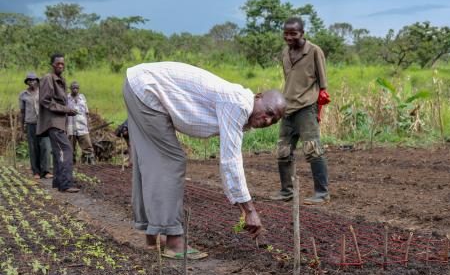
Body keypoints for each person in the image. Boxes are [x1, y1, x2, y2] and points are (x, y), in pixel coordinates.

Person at [123, 62, 286, 257]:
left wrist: (244, 207)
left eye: (273, 121)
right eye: (268, 112)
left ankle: (153, 236)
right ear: (258, 97)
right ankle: (174, 242)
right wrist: (249, 210)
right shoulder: (238, 104)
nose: (267, 120)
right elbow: (230, 161)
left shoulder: (239, 105)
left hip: (140, 85)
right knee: (171, 162)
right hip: (146, 88)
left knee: (152, 162)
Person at [270, 17, 331, 205]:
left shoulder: (314, 51)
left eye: (293, 33)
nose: (289, 37)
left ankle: (322, 193)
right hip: (287, 108)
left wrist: (317, 106)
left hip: (306, 107)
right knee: (283, 150)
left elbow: (323, 84)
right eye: (286, 33)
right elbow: (289, 80)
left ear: (302, 33)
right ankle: (286, 191)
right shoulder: (284, 53)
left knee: (313, 149)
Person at [37, 53, 79, 193]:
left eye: (62, 63)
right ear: (52, 65)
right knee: (66, 150)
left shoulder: (62, 80)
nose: (61, 65)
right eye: (58, 63)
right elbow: (45, 100)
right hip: (53, 122)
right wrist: (66, 110)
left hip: (60, 123)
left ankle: (58, 183)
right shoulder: (48, 78)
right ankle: (66, 184)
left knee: (58, 153)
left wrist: (67, 111)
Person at [19, 73, 53, 180]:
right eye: (30, 80)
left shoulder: (42, 92)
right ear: (27, 82)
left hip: (43, 124)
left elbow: (49, 106)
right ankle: (36, 172)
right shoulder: (23, 94)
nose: (32, 82)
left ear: (37, 81)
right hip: (30, 124)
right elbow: (22, 112)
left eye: (34, 80)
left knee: (46, 147)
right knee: (33, 148)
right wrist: (21, 126)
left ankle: (46, 171)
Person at [67, 81, 95, 164]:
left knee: (87, 146)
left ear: (78, 89)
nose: (75, 90)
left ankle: (88, 164)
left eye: (77, 88)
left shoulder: (82, 97)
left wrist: (88, 125)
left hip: (82, 126)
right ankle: (72, 165)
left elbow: (86, 112)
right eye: (73, 88)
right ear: (70, 89)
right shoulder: (66, 98)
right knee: (70, 147)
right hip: (70, 127)